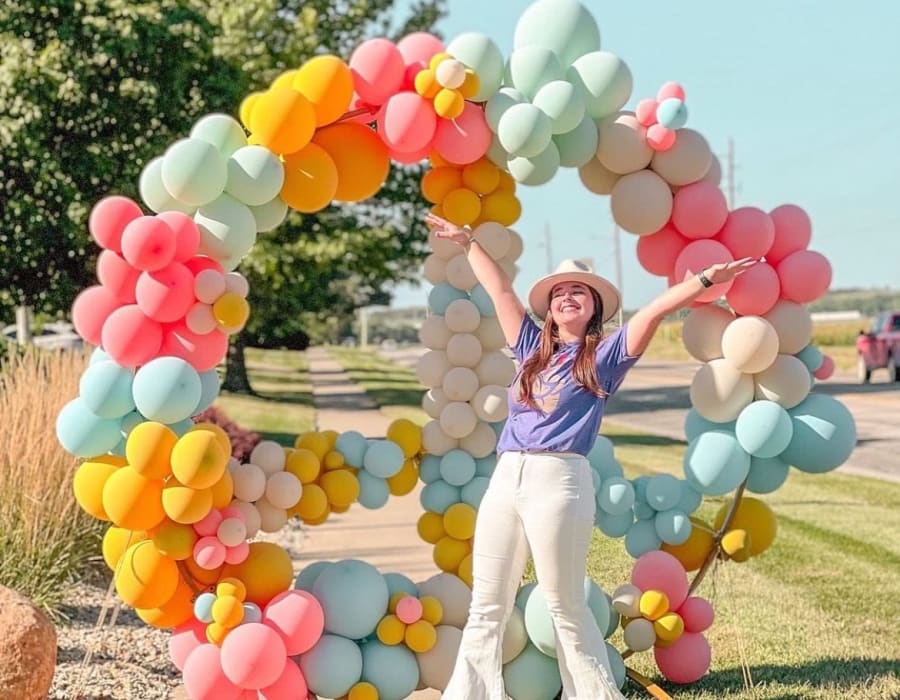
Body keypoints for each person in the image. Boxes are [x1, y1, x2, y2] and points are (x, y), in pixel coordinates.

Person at [425, 212, 756, 700]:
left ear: (594, 307)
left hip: (558, 480)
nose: (566, 297)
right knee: (486, 606)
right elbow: (501, 293)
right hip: (507, 474)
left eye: (577, 292)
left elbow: (654, 312)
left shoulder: (606, 355)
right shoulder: (530, 347)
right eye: (559, 293)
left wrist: (706, 280)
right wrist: (467, 242)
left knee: (564, 607)